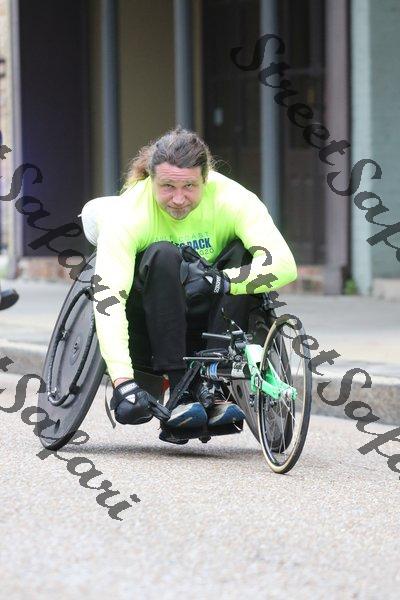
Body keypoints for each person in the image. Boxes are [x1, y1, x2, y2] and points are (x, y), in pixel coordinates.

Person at [81, 127, 297, 442]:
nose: (179, 199)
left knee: (242, 252)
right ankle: (181, 388)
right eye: (167, 186)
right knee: (163, 254)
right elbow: (108, 299)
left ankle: (214, 381)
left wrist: (224, 280)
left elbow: (284, 265)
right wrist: (122, 381)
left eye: (190, 187)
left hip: (213, 312)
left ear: (205, 179)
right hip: (149, 322)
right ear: (151, 180)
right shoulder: (129, 213)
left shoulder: (233, 199)